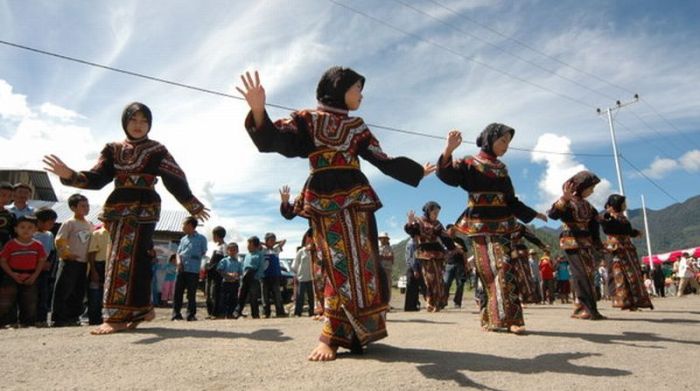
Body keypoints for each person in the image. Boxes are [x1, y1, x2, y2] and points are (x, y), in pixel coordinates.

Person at [238, 67, 434, 360]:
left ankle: (358, 330)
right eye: (357, 88)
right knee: (335, 263)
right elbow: (277, 141)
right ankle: (330, 336)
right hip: (324, 197)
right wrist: (258, 111)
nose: (361, 95)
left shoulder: (358, 127)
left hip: (357, 198)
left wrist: (416, 171)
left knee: (363, 263)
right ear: (339, 88)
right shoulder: (307, 120)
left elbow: (381, 158)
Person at [43, 102, 209, 334]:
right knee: (124, 257)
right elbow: (98, 177)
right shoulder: (112, 149)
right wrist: (70, 175)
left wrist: (192, 204)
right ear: (125, 122)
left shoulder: (157, 150)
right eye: (134, 120)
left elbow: (175, 178)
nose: (139, 125)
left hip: (146, 208)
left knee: (135, 257)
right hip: (119, 207)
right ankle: (136, 311)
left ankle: (122, 315)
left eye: (144, 121)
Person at [436, 126, 547, 334]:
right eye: (503, 141)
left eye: (508, 143)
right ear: (490, 139)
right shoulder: (471, 163)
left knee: (505, 268)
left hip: (503, 226)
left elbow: (511, 200)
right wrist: (448, 150)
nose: (506, 147)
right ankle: (495, 317)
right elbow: (448, 176)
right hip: (479, 226)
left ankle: (505, 319)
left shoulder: (502, 169)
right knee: (490, 271)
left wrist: (533, 214)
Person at [548, 170, 605, 320]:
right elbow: (553, 215)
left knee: (588, 274)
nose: (592, 192)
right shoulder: (568, 202)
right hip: (571, 242)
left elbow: (594, 226)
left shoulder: (588, 206)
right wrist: (564, 199)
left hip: (586, 243)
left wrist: (597, 242)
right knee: (581, 274)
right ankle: (586, 309)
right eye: (590, 188)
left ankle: (585, 308)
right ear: (580, 187)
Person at [599, 194, 653, 310]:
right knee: (621, 275)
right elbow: (614, 228)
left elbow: (625, 230)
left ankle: (632, 301)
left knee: (631, 275)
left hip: (626, 249)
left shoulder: (620, 217)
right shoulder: (609, 218)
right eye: (622, 203)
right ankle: (625, 301)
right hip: (616, 250)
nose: (625, 205)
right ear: (615, 205)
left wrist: (634, 233)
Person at [404, 202, 453, 312]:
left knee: (438, 279)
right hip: (425, 254)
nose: (436, 215)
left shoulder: (438, 224)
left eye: (438, 213)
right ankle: (430, 302)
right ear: (428, 211)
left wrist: (452, 248)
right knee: (429, 279)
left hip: (438, 253)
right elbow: (412, 231)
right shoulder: (419, 221)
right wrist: (410, 222)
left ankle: (438, 303)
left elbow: (445, 237)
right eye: (434, 212)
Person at [52, 193, 93, 327]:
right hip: (70, 262)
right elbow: (60, 239)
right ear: (73, 207)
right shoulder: (69, 223)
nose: (86, 208)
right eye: (82, 206)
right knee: (64, 289)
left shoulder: (89, 224)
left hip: (83, 263)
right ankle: (58, 318)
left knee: (78, 291)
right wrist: (67, 254)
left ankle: (73, 317)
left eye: (87, 205)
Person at [0, 215, 47, 327]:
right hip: (12, 275)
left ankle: (27, 323)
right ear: (16, 229)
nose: (26, 230)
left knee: (30, 301)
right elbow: (3, 260)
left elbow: (41, 261)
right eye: (22, 227)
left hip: (31, 276)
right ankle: (8, 323)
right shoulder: (11, 244)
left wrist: (34, 276)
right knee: (7, 300)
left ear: (35, 230)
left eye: (30, 227)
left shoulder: (38, 245)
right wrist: (13, 275)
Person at [172, 217, 207, 321]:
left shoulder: (201, 238)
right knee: (178, 292)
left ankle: (191, 315)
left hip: (193, 270)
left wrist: (194, 259)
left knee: (191, 294)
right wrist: (178, 262)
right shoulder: (183, 239)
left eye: (184, 225)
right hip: (181, 269)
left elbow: (203, 252)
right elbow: (178, 252)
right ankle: (176, 314)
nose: (182, 227)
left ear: (191, 225)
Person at [510, 224, 547, 304]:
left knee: (523, 275)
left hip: (519, 253)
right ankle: (514, 298)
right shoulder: (498, 223)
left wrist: (542, 245)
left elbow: (531, 237)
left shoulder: (519, 227)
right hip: (504, 252)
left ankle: (524, 297)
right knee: (510, 276)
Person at [33, 207, 57, 326]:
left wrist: (48, 263)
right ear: (40, 221)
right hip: (32, 267)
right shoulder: (32, 234)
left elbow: (52, 251)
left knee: (43, 293)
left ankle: (41, 319)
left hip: (44, 269)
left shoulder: (49, 235)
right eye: (50, 222)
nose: (52, 224)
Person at [233, 236, 265, 319]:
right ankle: (237, 312)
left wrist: (257, 276)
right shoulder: (247, 255)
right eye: (248, 244)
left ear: (255, 245)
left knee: (253, 297)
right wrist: (241, 275)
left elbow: (261, 267)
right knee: (242, 295)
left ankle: (255, 314)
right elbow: (243, 266)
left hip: (253, 276)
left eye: (250, 244)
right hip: (245, 276)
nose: (248, 246)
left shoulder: (259, 254)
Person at [87, 224, 110, 325]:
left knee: (108, 294)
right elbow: (91, 253)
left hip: (110, 265)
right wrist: (93, 270)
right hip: (98, 265)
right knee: (95, 293)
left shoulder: (117, 234)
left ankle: (104, 319)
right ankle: (94, 319)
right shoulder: (97, 233)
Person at [443, 224, 468, 309]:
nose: (454, 232)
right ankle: (444, 301)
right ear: (447, 231)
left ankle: (457, 302)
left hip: (460, 265)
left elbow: (464, 253)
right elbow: (443, 254)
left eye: (455, 231)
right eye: (452, 230)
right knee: (446, 283)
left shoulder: (460, 240)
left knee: (460, 284)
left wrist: (466, 264)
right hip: (448, 265)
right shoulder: (444, 241)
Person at [262, 232, 287, 318]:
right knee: (265, 295)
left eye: (274, 240)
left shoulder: (276, 249)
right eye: (271, 240)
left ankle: (280, 312)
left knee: (277, 294)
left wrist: (274, 243)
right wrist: (265, 244)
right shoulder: (262, 249)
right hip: (265, 276)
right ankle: (266, 313)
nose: (273, 241)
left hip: (275, 275)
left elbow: (284, 241)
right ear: (266, 241)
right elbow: (257, 243)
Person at [205, 226, 227, 319]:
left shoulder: (224, 246)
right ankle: (210, 312)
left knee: (215, 293)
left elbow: (224, 261)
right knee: (208, 293)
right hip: (210, 273)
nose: (213, 237)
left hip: (217, 274)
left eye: (213, 235)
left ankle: (216, 313)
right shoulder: (216, 246)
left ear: (217, 235)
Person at [217, 242, 242, 319]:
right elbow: (219, 270)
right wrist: (228, 274)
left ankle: (230, 314)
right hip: (226, 282)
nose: (232, 252)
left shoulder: (238, 262)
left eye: (234, 250)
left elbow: (240, 272)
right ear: (227, 251)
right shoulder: (224, 260)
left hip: (234, 283)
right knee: (224, 299)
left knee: (233, 299)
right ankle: (222, 314)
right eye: (230, 250)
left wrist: (236, 275)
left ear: (237, 251)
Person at [292, 242, 315, 317]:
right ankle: (298, 312)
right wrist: (296, 274)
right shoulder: (301, 252)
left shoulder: (314, 252)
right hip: (302, 277)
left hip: (311, 278)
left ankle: (311, 312)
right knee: (300, 296)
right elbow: (295, 264)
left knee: (311, 296)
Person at [403, 237, 423, 312]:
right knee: (411, 287)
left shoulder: (413, 243)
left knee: (415, 287)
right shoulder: (412, 244)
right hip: (412, 267)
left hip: (413, 267)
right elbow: (412, 258)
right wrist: (415, 270)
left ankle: (413, 305)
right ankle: (410, 307)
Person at [378, 232, 394, 309]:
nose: (383, 240)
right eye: (381, 238)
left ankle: (387, 302)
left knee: (387, 285)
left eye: (384, 238)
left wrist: (382, 257)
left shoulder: (389, 248)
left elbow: (391, 257)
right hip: (379, 269)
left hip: (387, 268)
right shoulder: (377, 248)